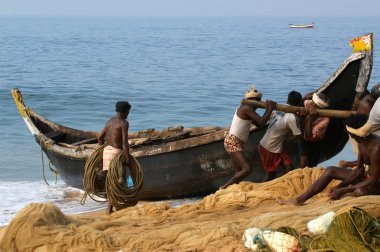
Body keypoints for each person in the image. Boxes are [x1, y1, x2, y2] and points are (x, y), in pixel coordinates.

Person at [277, 114, 380, 206]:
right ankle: (299, 200)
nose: (350, 135)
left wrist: (345, 190)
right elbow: (359, 170)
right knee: (331, 170)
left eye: (350, 133)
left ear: (356, 134)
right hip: (368, 178)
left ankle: (348, 194)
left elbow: (373, 179)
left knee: (359, 192)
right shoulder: (362, 142)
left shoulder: (376, 148)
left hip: (376, 182)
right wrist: (340, 186)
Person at [220, 86, 276, 189]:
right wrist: (271, 108)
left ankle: (232, 191)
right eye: (258, 101)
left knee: (238, 172)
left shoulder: (248, 110)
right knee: (247, 169)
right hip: (233, 141)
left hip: (235, 141)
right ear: (255, 101)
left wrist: (268, 110)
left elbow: (259, 125)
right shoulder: (246, 108)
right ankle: (223, 187)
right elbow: (262, 122)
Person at [258, 91, 303, 182]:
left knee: (289, 167)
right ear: (299, 103)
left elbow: (267, 119)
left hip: (276, 146)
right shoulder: (292, 117)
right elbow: (299, 136)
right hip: (268, 147)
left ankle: (286, 184)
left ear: (287, 99)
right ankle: (260, 190)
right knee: (271, 173)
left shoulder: (278, 108)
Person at [98, 101, 131, 214]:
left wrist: (103, 149)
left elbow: (99, 137)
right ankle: (110, 208)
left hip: (106, 152)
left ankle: (113, 206)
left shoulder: (109, 121)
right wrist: (127, 158)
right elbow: (124, 143)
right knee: (117, 181)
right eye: (128, 112)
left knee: (110, 180)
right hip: (116, 153)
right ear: (125, 112)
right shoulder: (124, 123)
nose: (128, 114)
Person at [339, 83, 380, 168]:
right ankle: (345, 164)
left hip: (360, 130)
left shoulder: (367, 98)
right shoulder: (368, 106)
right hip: (358, 133)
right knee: (367, 159)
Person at [299, 92, 330, 168]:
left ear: (319, 107)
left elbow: (308, 135)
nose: (311, 106)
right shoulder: (308, 103)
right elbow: (300, 103)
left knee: (312, 164)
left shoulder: (325, 120)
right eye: (312, 103)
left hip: (315, 140)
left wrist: (310, 118)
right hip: (303, 138)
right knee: (303, 160)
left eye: (314, 105)